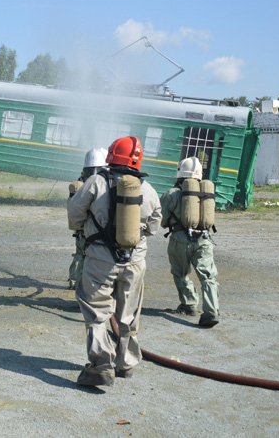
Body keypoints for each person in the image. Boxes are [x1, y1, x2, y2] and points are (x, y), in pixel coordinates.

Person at [67, 136, 162, 386]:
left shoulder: (97, 182)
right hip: (135, 260)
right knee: (128, 314)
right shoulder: (148, 189)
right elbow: (154, 225)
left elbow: (75, 212)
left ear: (111, 156)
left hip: (100, 258)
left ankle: (101, 365)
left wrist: (87, 230)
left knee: (97, 310)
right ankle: (127, 363)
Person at [160, 157, 220, 328]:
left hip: (180, 240)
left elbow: (163, 221)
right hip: (204, 240)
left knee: (180, 273)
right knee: (208, 277)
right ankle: (211, 311)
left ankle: (189, 304)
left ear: (180, 172)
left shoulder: (171, 194)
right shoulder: (206, 193)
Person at [68, 148, 108, 290]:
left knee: (79, 254)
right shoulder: (103, 182)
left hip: (81, 227)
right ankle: (87, 286)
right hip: (96, 229)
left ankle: (74, 280)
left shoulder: (81, 180)